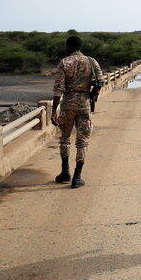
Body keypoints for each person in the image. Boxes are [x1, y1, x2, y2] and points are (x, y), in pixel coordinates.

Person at [51, 36, 103, 188]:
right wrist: (94, 92)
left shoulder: (64, 62)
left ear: (69, 46)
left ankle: (65, 173)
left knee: (65, 139)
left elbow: (58, 88)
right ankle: (77, 177)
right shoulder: (92, 62)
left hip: (67, 103)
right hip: (84, 103)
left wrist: (54, 111)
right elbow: (100, 81)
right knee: (82, 141)